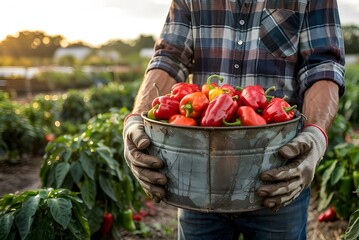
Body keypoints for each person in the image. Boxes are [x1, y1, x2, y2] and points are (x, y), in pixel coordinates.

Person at [123, 0, 345, 239]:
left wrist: (316, 134)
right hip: (199, 173)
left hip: (278, 171)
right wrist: (137, 118)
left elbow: (322, 67)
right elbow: (169, 58)